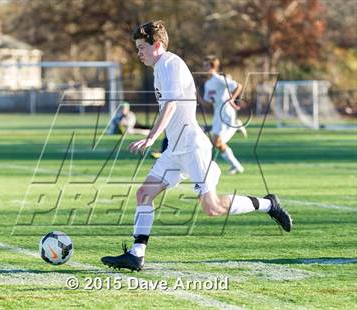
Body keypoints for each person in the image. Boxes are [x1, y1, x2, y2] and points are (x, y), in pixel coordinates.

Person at [101, 20, 292, 272]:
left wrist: (151, 137)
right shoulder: (160, 67)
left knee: (213, 208)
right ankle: (137, 255)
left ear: (156, 45)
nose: (138, 53)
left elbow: (170, 106)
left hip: (191, 147)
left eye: (141, 47)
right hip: (176, 150)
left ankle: (269, 204)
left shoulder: (169, 64)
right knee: (144, 194)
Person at [203, 56, 247, 175]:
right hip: (217, 114)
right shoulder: (207, 84)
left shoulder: (220, 79)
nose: (205, 68)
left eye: (207, 65)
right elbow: (208, 100)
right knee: (216, 143)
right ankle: (237, 166)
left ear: (214, 67)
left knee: (216, 142)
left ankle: (236, 125)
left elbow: (239, 86)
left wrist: (232, 99)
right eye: (205, 65)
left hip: (226, 112)